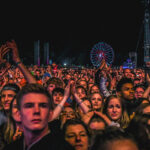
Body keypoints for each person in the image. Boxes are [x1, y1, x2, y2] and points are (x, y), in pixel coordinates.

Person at [4, 83, 74, 150]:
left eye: (42, 106)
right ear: (19, 113)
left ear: (50, 113)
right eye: (29, 106)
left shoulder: (62, 147)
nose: (36, 111)